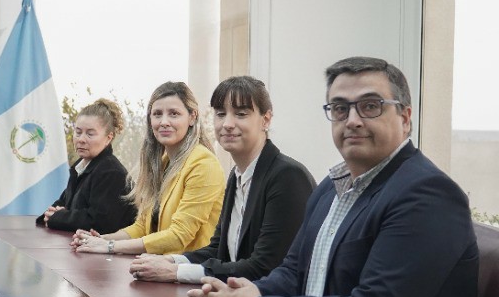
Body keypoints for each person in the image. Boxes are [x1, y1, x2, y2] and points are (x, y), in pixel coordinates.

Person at [189, 57, 488, 297]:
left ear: (405, 117)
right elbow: (293, 272)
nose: (353, 120)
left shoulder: (427, 195)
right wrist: (244, 292)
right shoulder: (331, 188)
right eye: (341, 108)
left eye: (370, 106)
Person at [129, 76, 314, 284]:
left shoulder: (287, 176)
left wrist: (176, 272)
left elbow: (264, 266)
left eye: (241, 114)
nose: (227, 124)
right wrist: (170, 261)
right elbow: (218, 250)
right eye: (220, 114)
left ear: (266, 119)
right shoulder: (237, 176)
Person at [71, 81, 223, 256]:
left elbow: (179, 235)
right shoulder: (163, 163)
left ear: (192, 117)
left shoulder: (203, 164)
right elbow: (142, 227)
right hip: (157, 265)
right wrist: (101, 240)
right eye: (157, 114)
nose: (164, 122)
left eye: (174, 114)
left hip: (190, 268)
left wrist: (110, 246)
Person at [36, 97, 137, 233]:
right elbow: (65, 202)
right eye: (78, 132)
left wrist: (57, 217)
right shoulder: (80, 166)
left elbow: (100, 222)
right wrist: (50, 214)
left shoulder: (111, 172)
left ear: (108, 138)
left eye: (90, 134)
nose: (81, 139)